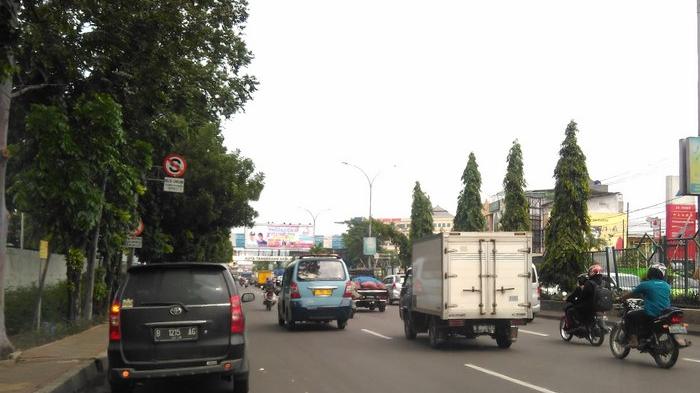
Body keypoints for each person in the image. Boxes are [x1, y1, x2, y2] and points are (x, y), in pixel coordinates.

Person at [619, 264, 671, 348]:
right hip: (665, 313)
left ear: (650, 273)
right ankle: (651, 338)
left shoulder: (645, 284)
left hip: (652, 312)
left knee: (630, 315)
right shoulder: (666, 285)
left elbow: (632, 293)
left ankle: (634, 341)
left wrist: (621, 298)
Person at [567, 264, 604, 330]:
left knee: (570, 310)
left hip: (589, 306)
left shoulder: (589, 283)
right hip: (599, 306)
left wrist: (576, 301)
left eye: (590, 272)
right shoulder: (603, 283)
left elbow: (583, 296)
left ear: (593, 272)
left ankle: (580, 325)